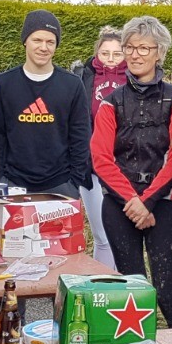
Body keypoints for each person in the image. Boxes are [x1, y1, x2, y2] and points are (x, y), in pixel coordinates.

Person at [91, 16, 172, 330]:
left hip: (162, 203)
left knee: (167, 294)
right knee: (131, 292)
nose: (135, 55)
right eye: (130, 47)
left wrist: (147, 202)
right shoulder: (110, 102)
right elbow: (101, 159)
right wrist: (133, 201)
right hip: (119, 204)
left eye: (144, 48)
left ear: (159, 52)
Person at [0, 9, 92, 200]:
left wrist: (74, 181)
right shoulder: (4, 84)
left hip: (61, 186)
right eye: (37, 40)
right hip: (13, 184)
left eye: (50, 42)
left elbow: (81, 137)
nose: (44, 47)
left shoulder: (72, 85)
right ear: (25, 40)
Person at [72, 25, 127, 268]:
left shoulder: (135, 79)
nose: (111, 59)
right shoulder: (84, 78)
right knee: (102, 236)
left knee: (124, 234)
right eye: (105, 53)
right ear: (97, 53)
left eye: (117, 54)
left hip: (125, 167)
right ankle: (102, 284)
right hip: (92, 166)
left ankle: (123, 283)